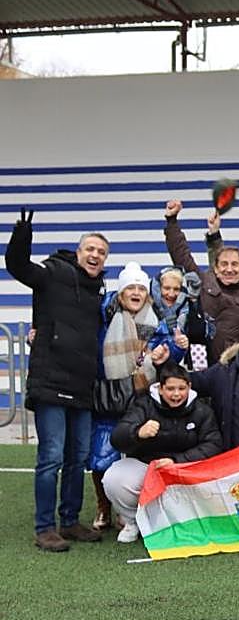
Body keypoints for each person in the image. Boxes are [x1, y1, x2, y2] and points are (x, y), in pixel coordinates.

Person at [6, 209, 109, 551]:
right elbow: (18, 267)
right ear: (79, 253)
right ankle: (44, 527)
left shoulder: (98, 292)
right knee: (50, 456)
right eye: (90, 249)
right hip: (50, 382)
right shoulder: (52, 272)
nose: (95, 255)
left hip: (81, 386)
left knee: (77, 458)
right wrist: (22, 234)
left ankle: (69, 521)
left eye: (101, 252)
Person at [88, 262, 183, 528]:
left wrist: (171, 353)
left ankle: (127, 508)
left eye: (141, 288)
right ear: (121, 292)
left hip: (142, 398)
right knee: (100, 455)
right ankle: (103, 506)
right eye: (130, 287)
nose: (136, 293)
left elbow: (167, 355)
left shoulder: (155, 320)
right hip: (108, 394)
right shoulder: (104, 317)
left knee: (137, 453)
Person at [104, 363, 223, 544]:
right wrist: (137, 433)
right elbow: (117, 438)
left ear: (189, 387)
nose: (176, 394)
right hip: (149, 468)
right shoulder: (143, 405)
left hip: (185, 471)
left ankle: (188, 520)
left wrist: (176, 461)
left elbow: (213, 444)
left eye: (181, 388)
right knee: (114, 478)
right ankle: (131, 521)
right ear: (160, 389)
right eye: (170, 389)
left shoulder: (202, 410)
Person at [164, 199, 239, 359]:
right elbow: (181, 254)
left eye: (234, 264)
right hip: (199, 366)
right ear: (215, 268)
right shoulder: (203, 282)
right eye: (224, 264)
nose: (229, 269)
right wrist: (172, 221)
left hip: (234, 369)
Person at [151, 266, 209, 366]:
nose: (171, 294)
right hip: (151, 365)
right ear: (158, 288)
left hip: (181, 367)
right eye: (166, 288)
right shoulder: (149, 308)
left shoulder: (187, 306)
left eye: (176, 289)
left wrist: (194, 300)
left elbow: (199, 334)